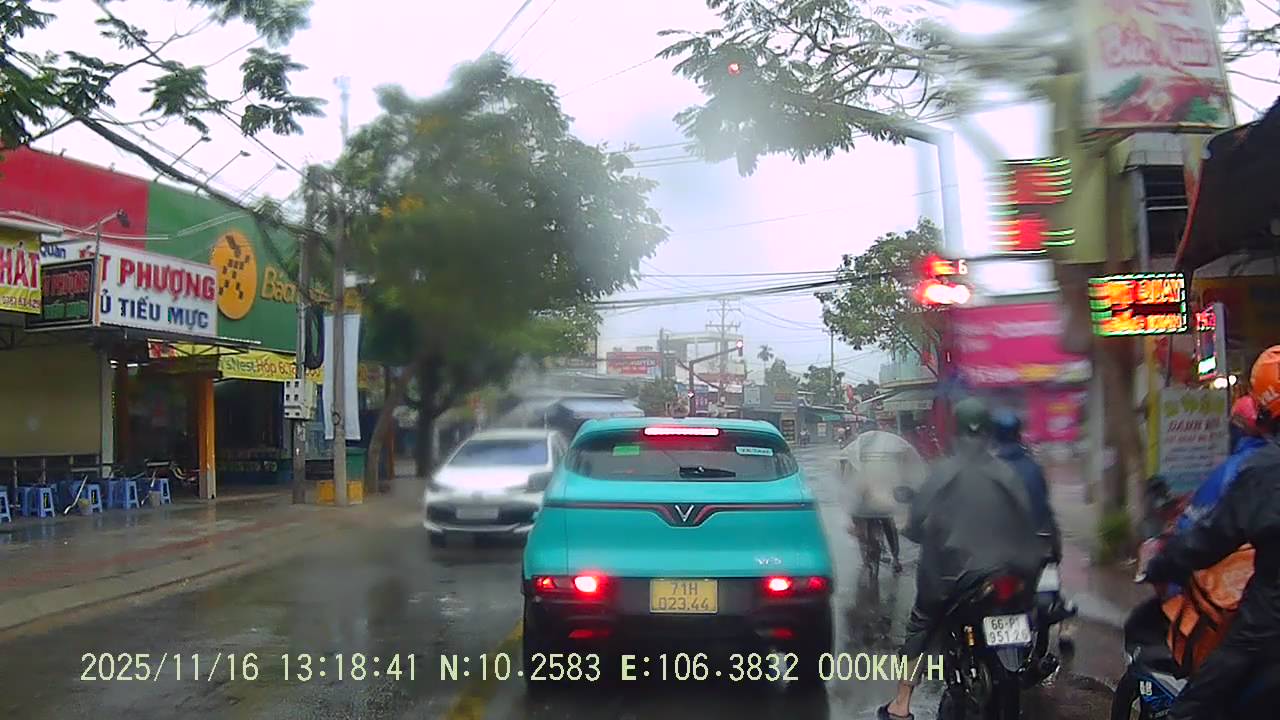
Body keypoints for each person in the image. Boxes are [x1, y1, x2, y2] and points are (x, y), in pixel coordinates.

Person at [879, 397, 1045, 720]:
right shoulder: (1006, 473)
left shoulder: (943, 472)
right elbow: (1028, 520)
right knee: (1025, 609)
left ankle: (901, 703)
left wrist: (917, 531)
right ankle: (1025, 660)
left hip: (951, 577)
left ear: (955, 431)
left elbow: (915, 522)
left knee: (921, 623)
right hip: (1007, 573)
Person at [1141, 346, 1280, 720]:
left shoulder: (1263, 470)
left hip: (1266, 627)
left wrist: (1164, 564)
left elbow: (1211, 538)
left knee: (1191, 709)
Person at [840, 422, 927, 574]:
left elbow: (843, 469)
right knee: (888, 524)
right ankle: (895, 558)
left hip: (870, 499)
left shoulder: (856, 447)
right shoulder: (889, 444)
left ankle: (869, 559)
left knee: (865, 523)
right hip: (880, 498)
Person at [991, 408, 1063, 563]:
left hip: (996, 553)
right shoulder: (1033, 468)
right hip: (1033, 551)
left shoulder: (988, 470)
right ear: (1019, 435)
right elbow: (1044, 509)